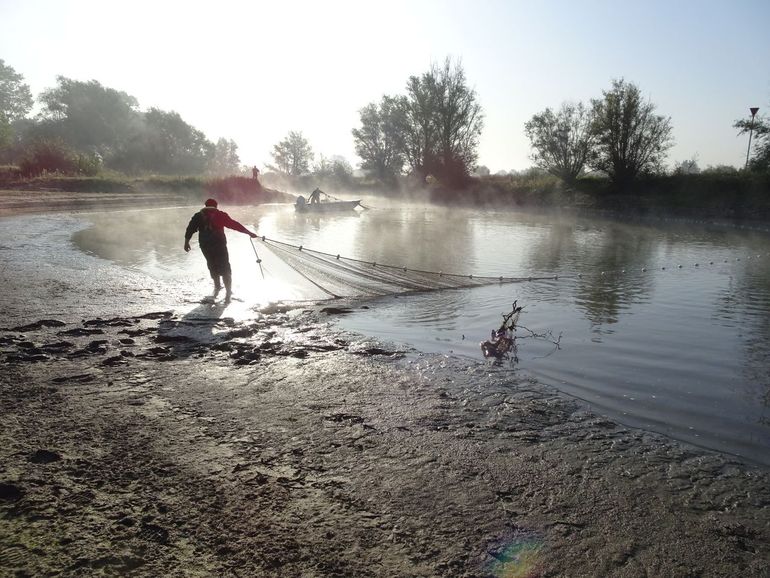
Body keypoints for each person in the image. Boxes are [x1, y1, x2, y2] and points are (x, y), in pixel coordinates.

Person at [184, 198, 257, 302]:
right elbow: (234, 225)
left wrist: (186, 242)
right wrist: (249, 232)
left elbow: (190, 229)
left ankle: (217, 287)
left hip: (205, 245)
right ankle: (228, 292)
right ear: (216, 206)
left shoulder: (198, 216)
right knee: (225, 266)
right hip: (219, 244)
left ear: (205, 206)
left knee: (211, 264)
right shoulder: (221, 215)